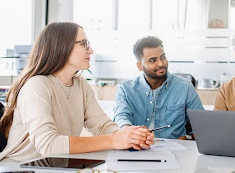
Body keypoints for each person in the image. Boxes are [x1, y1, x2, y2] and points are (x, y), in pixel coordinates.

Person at [0, 22, 154, 162]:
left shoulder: (80, 84)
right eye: (84, 44)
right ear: (62, 47)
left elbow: (101, 125)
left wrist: (130, 136)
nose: (91, 51)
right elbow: (48, 144)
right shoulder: (36, 85)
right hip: (19, 171)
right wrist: (113, 140)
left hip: (52, 166)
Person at [113, 36, 203, 139]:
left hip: (175, 150)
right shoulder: (126, 90)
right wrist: (129, 132)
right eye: (152, 60)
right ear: (140, 66)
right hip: (137, 148)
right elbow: (121, 118)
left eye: (163, 57)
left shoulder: (185, 88)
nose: (161, 63)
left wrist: (188, 137)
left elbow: (202, 125)